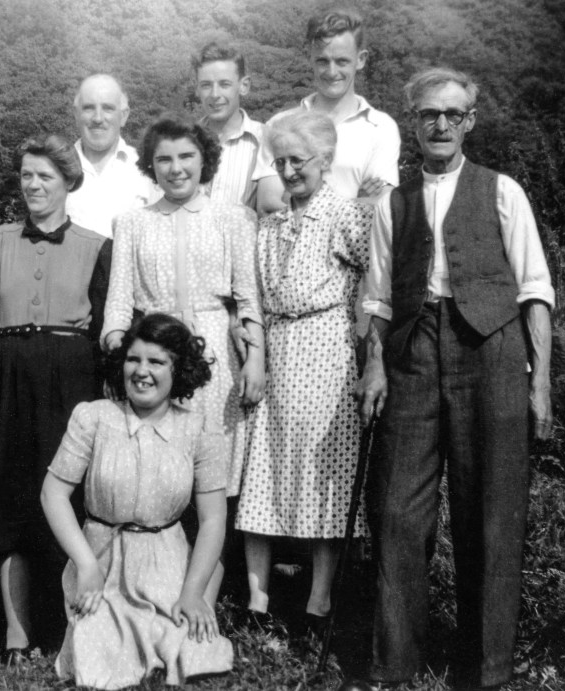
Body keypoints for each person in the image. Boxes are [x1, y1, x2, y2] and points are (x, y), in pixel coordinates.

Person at [357, 67, 554, 688]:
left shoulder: (503, 191)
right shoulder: (395, 201)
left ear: (469, 122)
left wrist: (539, 381)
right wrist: (373, 365)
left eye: (452, 115)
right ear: (413, 123)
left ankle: (485, 668)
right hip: (412, 352)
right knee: (396, 511)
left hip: (491, 350)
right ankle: (395, 664)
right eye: (427, 115)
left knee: (492, 512)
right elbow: (378, 297)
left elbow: (536, 290)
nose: (439, 125)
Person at [0, 134, 111, 661]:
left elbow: (103, 329)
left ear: (68, 182)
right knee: (7, 494)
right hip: (7, 375)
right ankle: (15, 631)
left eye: (45, 176)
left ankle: (69, 625)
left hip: (71, 377)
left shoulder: (97, 246)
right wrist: (20, 353)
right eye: (27, 175)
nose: (33, 185)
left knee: (65, 493)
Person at [41, 313, 233, 689]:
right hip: (102, 560)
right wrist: (85, 565)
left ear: (179, 370)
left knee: (191, 648)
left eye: (157, 362)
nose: (142, 372)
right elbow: (53, 494)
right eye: (134, 359)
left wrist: (193, 592)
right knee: (96, 657)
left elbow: (212, 521)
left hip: (168, 563)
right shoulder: (93, 417)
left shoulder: (199, 429)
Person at [236, 111, 374, 632]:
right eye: (282, 161)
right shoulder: (269, 225)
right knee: (263, 472)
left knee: (326, 474)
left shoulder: (346, 215)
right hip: (276, 348)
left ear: (326, 161)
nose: (290, 171)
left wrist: (367, 346)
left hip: (327, 352)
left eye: (300, 160)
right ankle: (257, 601)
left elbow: (376, 282)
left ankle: (318, 603)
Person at [102, 113, 264, 511]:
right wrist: (118, 357)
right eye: (164, 160)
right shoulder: (132, 223)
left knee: (215, 475)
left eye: (186, 156)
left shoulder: (234, 218)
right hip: (153, 356)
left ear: (204, 159)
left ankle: (215, 569)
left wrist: (256, 359)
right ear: (150, 166)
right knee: (158, 469)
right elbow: (120, 302)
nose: (176, 169)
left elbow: (248, 297)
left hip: (216, 361)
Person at [258, 8, 400, 213]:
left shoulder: (381, 127)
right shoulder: (279, 125)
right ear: (310, 58)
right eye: (323, 61)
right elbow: (268, 205)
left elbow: (380, 207)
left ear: (361, 59)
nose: (332, 72)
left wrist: (293, 200)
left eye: (342, 61)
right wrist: (355, 204)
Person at [65, 74, 158, 238]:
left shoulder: (147, 171)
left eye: (107, 108)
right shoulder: (56, 170)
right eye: (88, 108)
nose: (98, 118)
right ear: (75, 114)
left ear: (123, 116)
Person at [192, 41, 277, 210]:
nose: (215, 94)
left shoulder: (268, 140)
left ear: (244, 86)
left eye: (224, 84)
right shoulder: (182, 140)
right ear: (197, 89)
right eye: (206, 85)